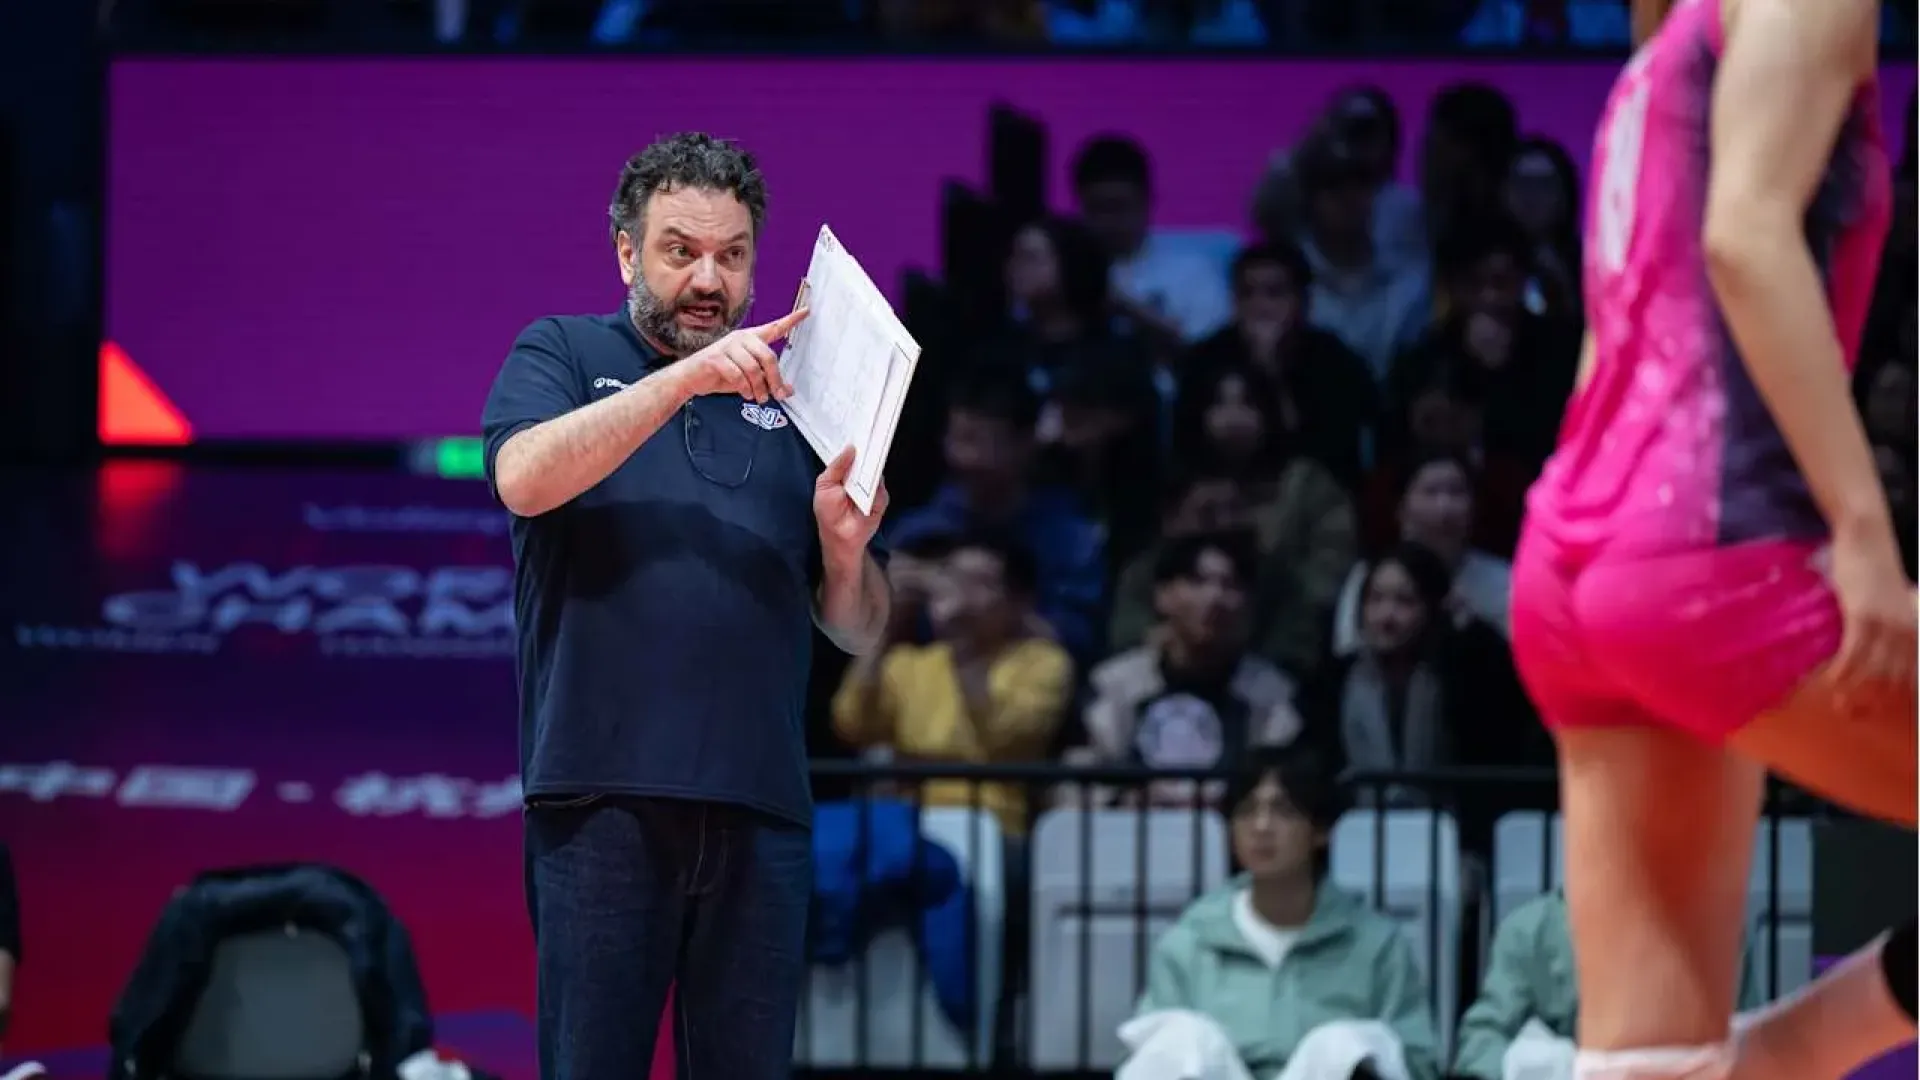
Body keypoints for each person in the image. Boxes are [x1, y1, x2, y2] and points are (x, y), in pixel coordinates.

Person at [1508, 1, 1915, 1077]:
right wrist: (1864, 532)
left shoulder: (1658, 60)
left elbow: (1616, 338)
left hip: (1575, 559)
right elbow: (1745, 238)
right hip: (1704, 552)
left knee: (1657, 1066)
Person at [480, 131, 892, 1080]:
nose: (708, 278)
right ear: (627, 250)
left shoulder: (805, 403)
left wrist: (843, 550)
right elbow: (523, 479)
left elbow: (861, 627)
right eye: (680, 251)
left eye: (732, 255)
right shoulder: (564, 350)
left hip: (762, 808)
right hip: (603, 801)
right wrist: (688, 380)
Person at [1126, 744, 1441, 1080]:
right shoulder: (1190, 941)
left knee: (1339, 1044)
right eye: (1246, 812)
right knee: (1184, 1037)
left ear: (1319, 830)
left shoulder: (1376, 945)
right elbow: (1149, 1059)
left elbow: (1417, 1063)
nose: (1262, 827)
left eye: (1283, 811)